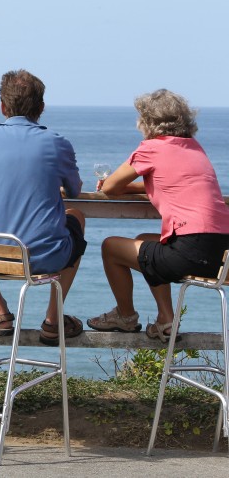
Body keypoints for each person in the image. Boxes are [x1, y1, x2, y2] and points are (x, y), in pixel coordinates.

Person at [0, 69, 87, 346]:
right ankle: (53, 320)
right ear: (42, 108)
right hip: (43, 258)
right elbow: (74, 191)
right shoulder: (58, 143)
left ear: (2, 106)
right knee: (77, 217)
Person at [87, 89, 229, 342]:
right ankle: (165, 319)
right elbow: (170, 182)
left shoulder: (152, 148)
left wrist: (119, 185)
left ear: (147, 122)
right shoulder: (195, 148)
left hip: (190, 252)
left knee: (110, 247)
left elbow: (110, 187)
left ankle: (126, 316)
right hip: (221, 253)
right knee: (145, 239)